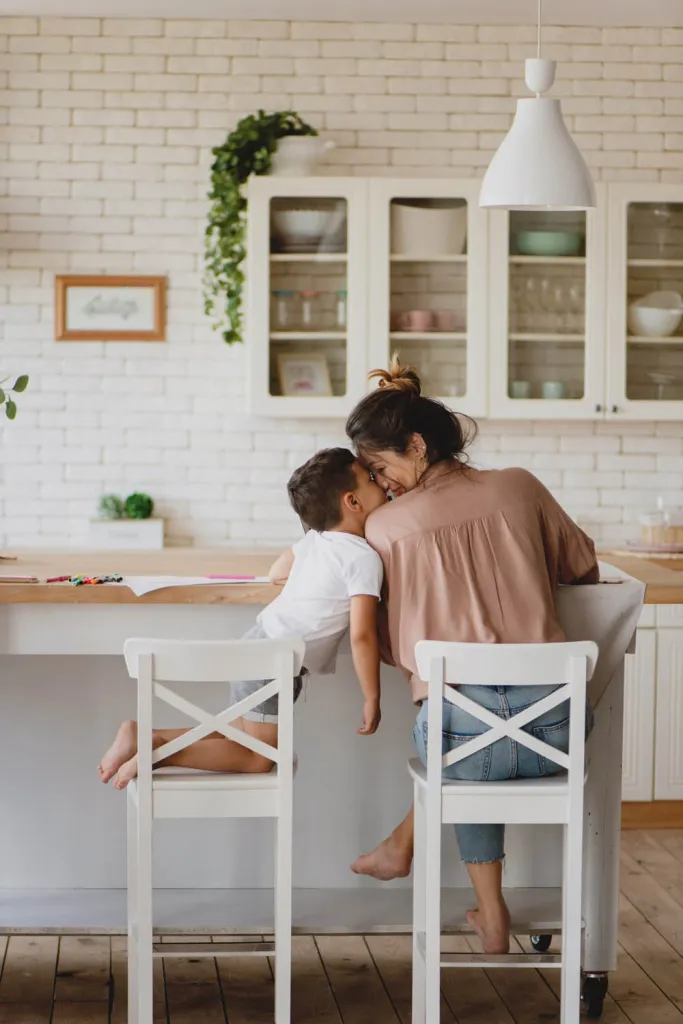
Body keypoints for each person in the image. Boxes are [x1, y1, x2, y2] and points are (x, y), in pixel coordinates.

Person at [346, 358, 599, 955]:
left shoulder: (385, 529)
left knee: (460, 731)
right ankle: (444, 880)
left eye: (382, 468)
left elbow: (395, 650)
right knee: (476, 727)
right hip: (563, 736)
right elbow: (581, 565)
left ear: (415, 444)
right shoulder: (520, 485)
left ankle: (477, 900)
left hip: (461, 743)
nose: (382, 485)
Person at [99, 448, 386, 790]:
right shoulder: (363, 558)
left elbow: (277, 571)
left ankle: (147, 737)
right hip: (271, 661)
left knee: (239, 734)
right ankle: (155, 753)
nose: (380, 480)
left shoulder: (318, 539)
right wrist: (372, 697)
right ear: (353, 502)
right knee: (258, 758)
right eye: (371, 478)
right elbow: (362, 636)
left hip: (260, 640)